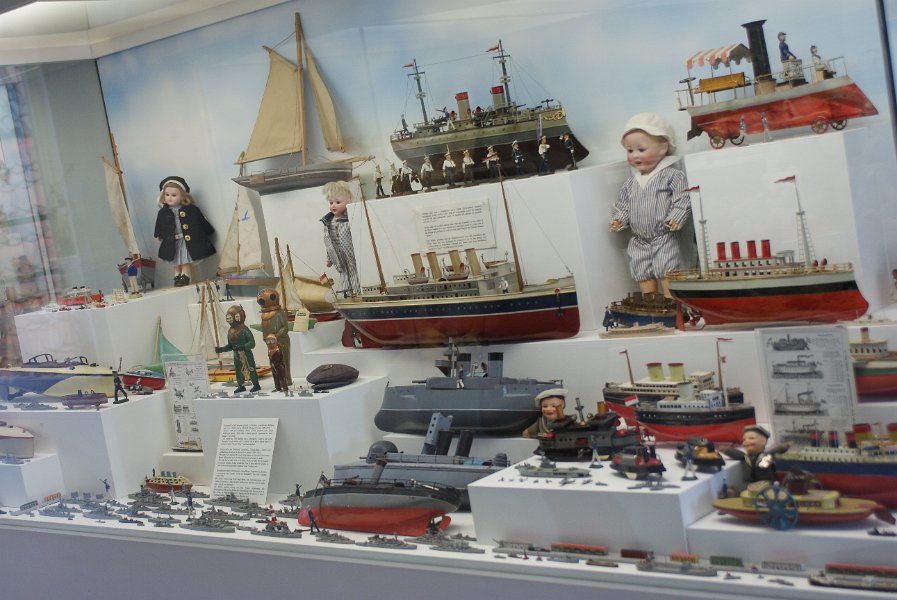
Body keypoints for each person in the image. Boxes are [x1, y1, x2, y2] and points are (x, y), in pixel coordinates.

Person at [609, 113, 691, 298]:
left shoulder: (671, 175)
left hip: (663, 236)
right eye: (630, 151)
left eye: (641, 149)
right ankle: (650, 303)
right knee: (642, 270)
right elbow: (623, 205)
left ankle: (671, 302)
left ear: (663, 148)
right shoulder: (631, 182)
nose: (634, 155)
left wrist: (676, 217)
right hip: (638, 239)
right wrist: (619, 219)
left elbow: (682, 198)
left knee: (667, 268)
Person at [153, 176, 215, 287]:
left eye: (174, 195)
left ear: (182, 196)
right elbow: (159, 224)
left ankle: (185, 274)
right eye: (167, 195)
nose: (170, 198)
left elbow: (200, 221)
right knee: (175, 259)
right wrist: (158, 234)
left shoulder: (192, 210)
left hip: (186, 241)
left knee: (185, 258)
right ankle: (177, 274)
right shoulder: (163, 212)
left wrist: (208, 230)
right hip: (172, 241)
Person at [321, 181, 360, 298]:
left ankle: (356, 293)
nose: (334, 205)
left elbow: (357, 236)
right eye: (331, 202)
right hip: (337, 253)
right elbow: (328, 243)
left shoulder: (350, 219)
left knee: (353, 272)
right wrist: (329, 259)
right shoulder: (327, 222)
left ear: (349, 201)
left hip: (350, 252)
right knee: (343, 273)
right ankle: (346, 294)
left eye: (338, 202)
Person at [214, 305, 261, 393]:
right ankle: (241, 385)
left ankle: (256, 384)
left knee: (250, 368)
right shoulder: (230, 331)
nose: (231, 319)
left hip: (246, 354)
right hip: (236, 355)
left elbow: (252, 343)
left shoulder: (244, 330)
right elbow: (230, 346)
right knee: (239, 370)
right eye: (229, 317)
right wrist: (221, 349)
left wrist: (244, 347)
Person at [721, 425, 789, 484]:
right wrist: (725, 450)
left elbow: (775, 451)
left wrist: (784, 447)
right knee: (738, 489)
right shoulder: (746, 457)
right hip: (749, 484)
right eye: (744, 440)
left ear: (763, 441)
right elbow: (737, 453)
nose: (746, 441)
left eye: (751, 438)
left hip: (766, 484)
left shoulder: (765, 456)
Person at [257, 287, 291, 386]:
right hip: (270, 343)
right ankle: (278, 382)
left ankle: (286, 380)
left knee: (284, 361)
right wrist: (265, 338)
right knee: (273, 363)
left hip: (281, 341)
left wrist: (277, 336)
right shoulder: (264, 315)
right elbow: (264, 329)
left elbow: (284, 328)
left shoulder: (279, 313)